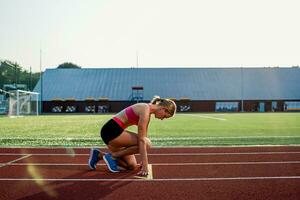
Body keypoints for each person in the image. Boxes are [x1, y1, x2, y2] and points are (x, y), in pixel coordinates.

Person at [88, 96, 176, 176]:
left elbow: (143, 136)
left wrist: (142, 160)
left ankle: (99, 155)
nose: (162, 119)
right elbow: (142, 140)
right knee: (147, 144)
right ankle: (112, 156)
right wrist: (145, 166)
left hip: (114, 133)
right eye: (164, 116)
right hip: (111, 131)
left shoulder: (147, 113)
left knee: (131, 166)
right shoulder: (145, 109)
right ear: (163, 109)